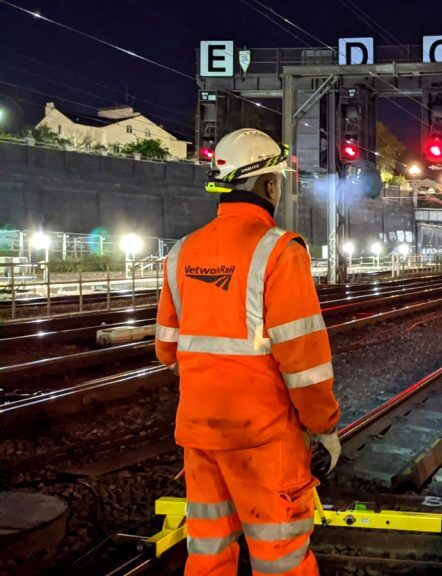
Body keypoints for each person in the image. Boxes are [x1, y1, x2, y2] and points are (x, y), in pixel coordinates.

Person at [155, 128, 340, 576]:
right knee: (281, 557)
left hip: (200, 435)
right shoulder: (279, 251)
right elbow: (305, 362)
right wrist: (324, 425)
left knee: (208, 551)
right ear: (270, 186)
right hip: (263, 437)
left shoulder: (182, 253)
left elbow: (166, 349)